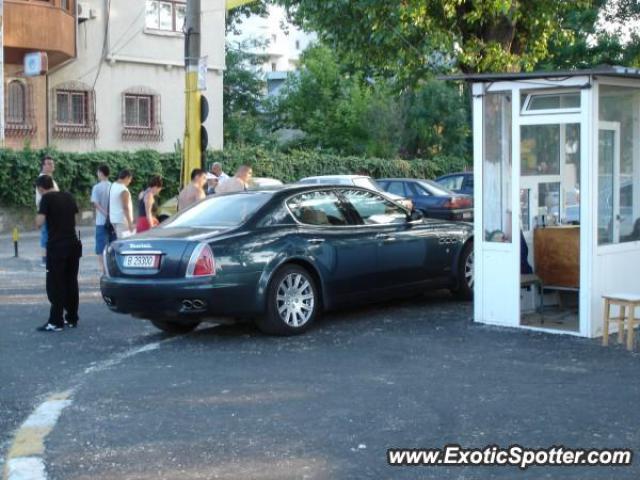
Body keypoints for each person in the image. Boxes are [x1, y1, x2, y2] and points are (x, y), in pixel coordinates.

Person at [35, 175, 82, 332]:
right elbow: (74, 217)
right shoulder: (68, 196)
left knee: (56, 284)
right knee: (71, 282)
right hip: (73, 244)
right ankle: (72, 318)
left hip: (57, 247)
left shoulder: (46, 199)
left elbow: (39, 223)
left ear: (41, 188)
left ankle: (55, 321)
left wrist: (40, 215)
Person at [35, 155, 59, 267]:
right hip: (48, 211)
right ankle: (45, 259)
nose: (51, 165)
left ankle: (49, 257)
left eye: (52, 163)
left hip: (51, 211)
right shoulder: (43, 178)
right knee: (46, 235)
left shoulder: (49, 178)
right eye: (48, 163)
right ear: (43, 166)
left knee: (49, 235)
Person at [90, 165, 114, 271]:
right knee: (112, 245)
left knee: (100, 246)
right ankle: (112, 267)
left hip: (101, 221)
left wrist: (105, 213)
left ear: (100, 173)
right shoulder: (113, 186)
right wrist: (110, 215)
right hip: (113, 221)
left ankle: (103, 268)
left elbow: (95, 204)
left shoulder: (96, 187)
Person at [109, 169, 135, 238]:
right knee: (124, 243)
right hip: (122, 221)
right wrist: (130, 223)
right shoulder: (123, 190)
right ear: (126, 178)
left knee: (119, 240)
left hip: (114, 219)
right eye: (130, 179)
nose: (129, 182)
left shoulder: (113, 185)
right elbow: (125, 207)